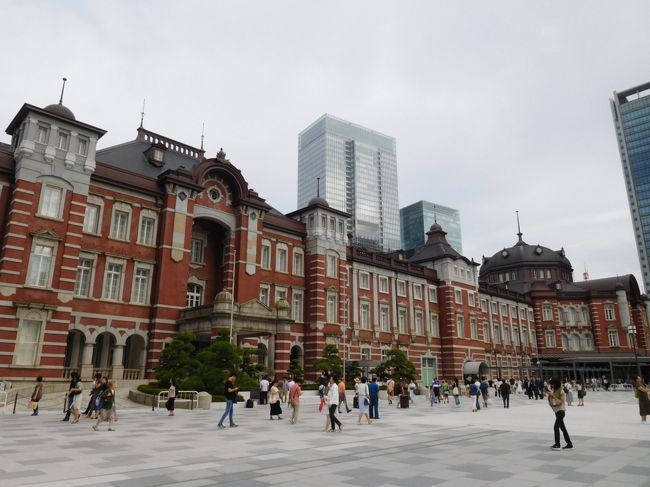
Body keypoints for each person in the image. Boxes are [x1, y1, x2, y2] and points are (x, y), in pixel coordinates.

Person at [548, 377, 573, 450]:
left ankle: (557, 444)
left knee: (556, 427)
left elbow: (560, 402)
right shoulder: (555, 391)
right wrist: (550, 396)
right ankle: (569, 443)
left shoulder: (561, 391)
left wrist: (553, 396)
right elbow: (553, 401)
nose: (552, 386)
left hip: (561, 411)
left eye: (553, 385)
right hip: (557, 412)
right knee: (563, 428)